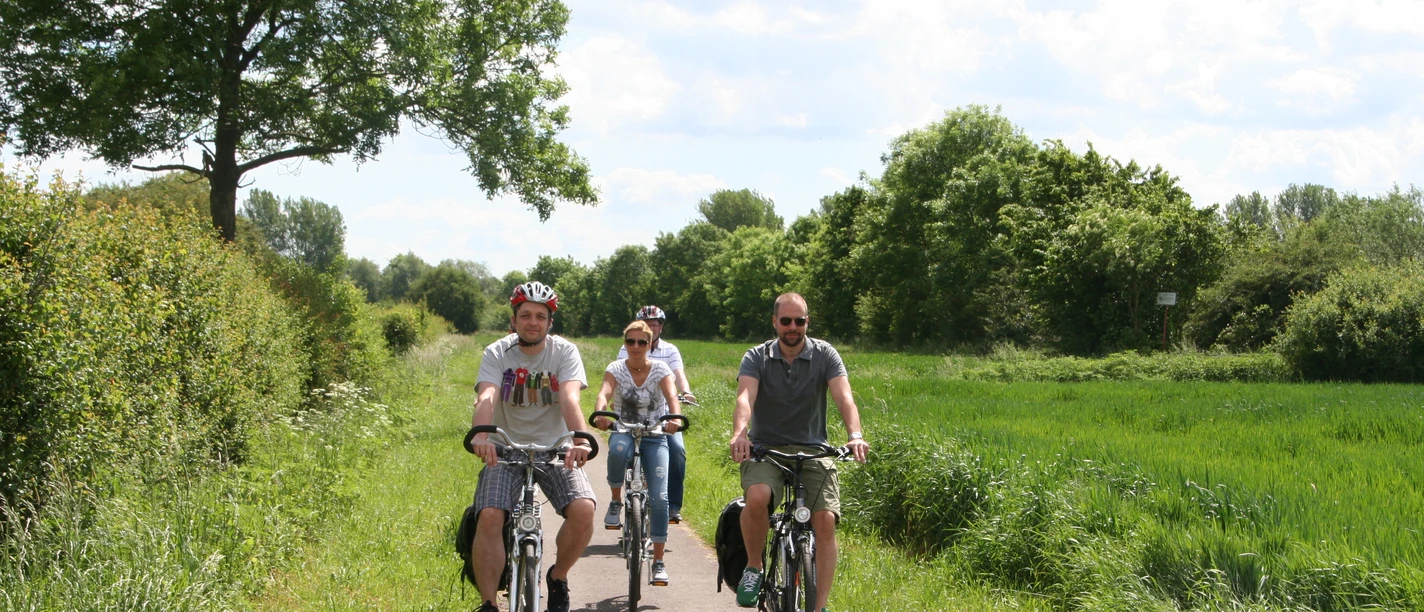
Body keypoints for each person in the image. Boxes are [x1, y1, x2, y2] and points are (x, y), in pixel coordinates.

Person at [728, 292, 869, 612]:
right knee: (758, 497)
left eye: (800, 321)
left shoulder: (825, 355)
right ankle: (754, 566)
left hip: (814, 450)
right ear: (775, 322)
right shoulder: (757, 356)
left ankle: (818, 607)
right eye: (787, 321)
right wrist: (740, 434)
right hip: (767, 449)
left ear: (808, 322)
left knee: (825, 520)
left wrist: (855, 435)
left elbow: (844, 397)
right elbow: (744, 398)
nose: (793, 327)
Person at [467, 281, 595, 612]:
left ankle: (557, 577)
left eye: (540, 316)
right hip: (505, 450)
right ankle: (488, 603)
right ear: (514, 320)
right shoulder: (497, 352)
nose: (533, 322)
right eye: (525, 315)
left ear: (550, 322)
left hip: (555, 449)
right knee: (491, 515)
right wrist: (480, 434)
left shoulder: (564, 352)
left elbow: (569, 397)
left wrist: (579, 438)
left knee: (583, 510)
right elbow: (487, 395)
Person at [591, 320, 684, 585]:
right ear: (625, 343)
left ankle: (658, 561)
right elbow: (604, 394)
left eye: (642, 342)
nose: (636, 346)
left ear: (649, 344)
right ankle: (616, 500)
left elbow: (672, 395)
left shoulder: (661, 369)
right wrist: (601, 413)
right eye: (630, 341)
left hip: (655, 434)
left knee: (659, 497)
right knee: (617, 451)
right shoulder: (616, 368)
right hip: (625, 429)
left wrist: (674, 418)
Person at [614, 305, 695, 523]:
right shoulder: (628, 347)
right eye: (647, 324)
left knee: (677, 450)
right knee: (622, 450)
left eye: (655, 325)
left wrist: (685, 392)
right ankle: (627, 495)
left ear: (660, 327)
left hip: (664, 414)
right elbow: (618, 373)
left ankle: (673, 507)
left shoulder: (670, 350)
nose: (651, 328)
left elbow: (678, 374)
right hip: (634, 412)